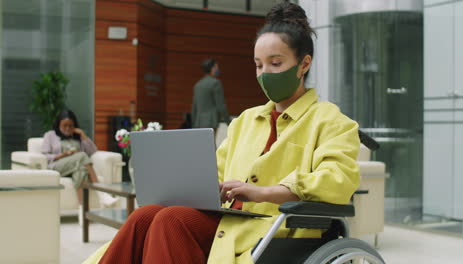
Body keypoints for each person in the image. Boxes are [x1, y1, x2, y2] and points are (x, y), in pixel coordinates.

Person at [86, 2, 360, 264]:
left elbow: (338, 181)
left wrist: (262, 192)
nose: (265, 73)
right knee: (145, 216)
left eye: (275, 64)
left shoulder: (331, 121)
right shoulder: (245, 121)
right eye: (258, 65)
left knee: (169, 222)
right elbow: (215, 172)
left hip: (275, 228)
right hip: (227, 221)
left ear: (304, 64)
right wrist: (199, 187)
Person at [41, 110, 118, 207]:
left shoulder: (78, 136)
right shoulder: (50, 135)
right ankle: (102, 194)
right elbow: (44, 156)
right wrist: (63, 155)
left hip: (76, 166)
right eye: (64, 125)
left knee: (81, 170)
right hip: (57, 166)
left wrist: (83, 134)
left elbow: (93, 151)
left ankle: (82, 210)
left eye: (71, 126)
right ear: (58, 124)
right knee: (81, 156)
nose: (68, 128)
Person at [191, 58, 231, 133]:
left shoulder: (198, 85)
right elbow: (220, 105)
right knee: (210, 143)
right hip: (212, 121)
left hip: (199, 122)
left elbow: (194, 107)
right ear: (211, 68)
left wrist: (193, 123)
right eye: (216, 67)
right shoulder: (215, 83)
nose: (218, 69)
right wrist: (228, 121)